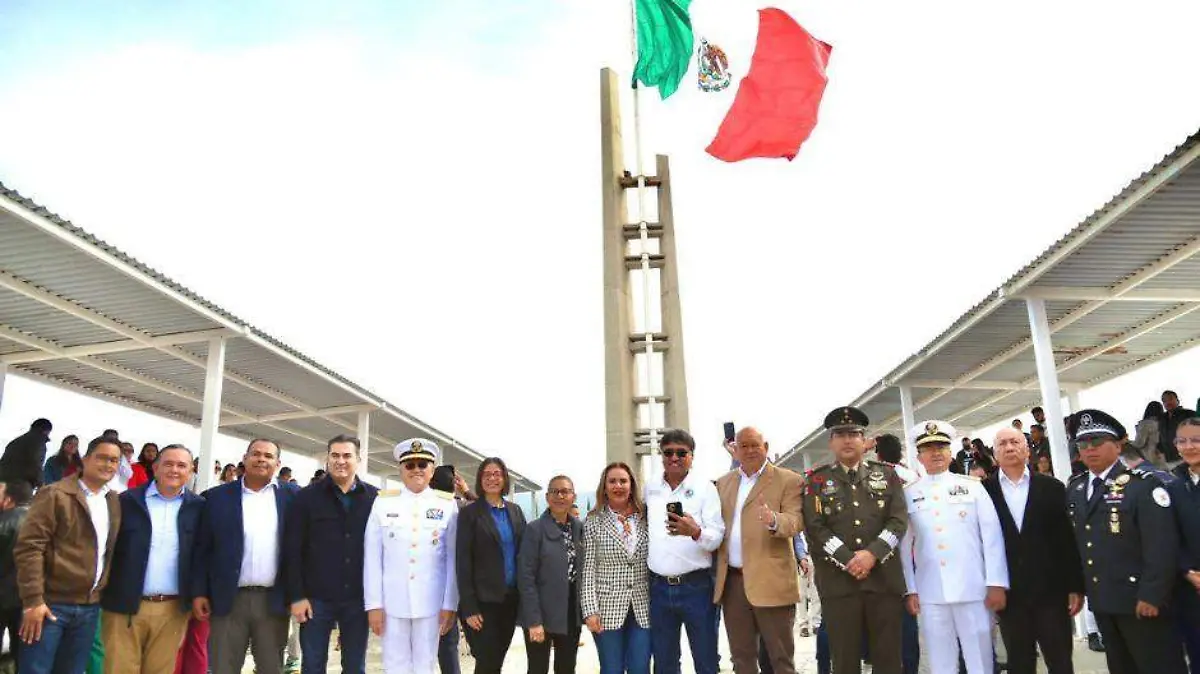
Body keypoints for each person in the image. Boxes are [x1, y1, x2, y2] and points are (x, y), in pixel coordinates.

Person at [1066, 409, 1186, 674]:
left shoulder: (1142, 485)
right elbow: (1078, 543)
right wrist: (1076, 587)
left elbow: (1162, 546)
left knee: (1160, 666)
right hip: (1104, 600)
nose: (1089, 449)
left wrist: (1152, 595)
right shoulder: (1075, 488)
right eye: (1083, 444)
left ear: (1118, 444)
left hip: (1141, 601)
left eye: (1097, 441)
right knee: (1121, 667)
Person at [803, 408, 908, 674]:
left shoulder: (888, 475)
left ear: (865, 441)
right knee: (845, 661)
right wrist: (848, 559)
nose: (847, 440)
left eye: (854, 434)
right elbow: (815, 529)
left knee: (888, 660)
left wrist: (872, 554)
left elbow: (898, 522)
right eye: (840, 435)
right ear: (831, 442)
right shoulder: (817, 480)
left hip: (883, 581)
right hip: (839, 586)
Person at [901, 420, 1008, 674]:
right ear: (919, 457)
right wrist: (910, 589)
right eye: (928, 449)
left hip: (973, 589)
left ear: (950, 453)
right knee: (941, 663)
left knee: (979, 661)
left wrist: (995, 582)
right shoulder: (909, 493)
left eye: (941, 446)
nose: (935, 453)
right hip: (931, 592)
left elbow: (992, 537)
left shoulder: (972, 487)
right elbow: (904, 548)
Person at [14, 436, 122, 674]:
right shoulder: (55, 494)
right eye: (102, 458)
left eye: (114, 460)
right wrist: (33, 601)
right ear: (85, 459)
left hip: (89, 608)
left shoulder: (112, 501)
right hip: (49, 606)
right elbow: (30, 547)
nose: (108, 465)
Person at [982, 427, 1083, 674]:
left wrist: (1075, 586)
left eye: (1015, 442)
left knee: (1059, 660)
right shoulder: (984, 492)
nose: (1009, 447)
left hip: (1051, 592)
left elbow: (1067, 541)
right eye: (1002, 443)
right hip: (1010, 595)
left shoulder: (1053, 487)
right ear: (994, 453)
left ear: (1027, 449)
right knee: (1019, 662)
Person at [191, 438, 296, 674]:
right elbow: (202, 549)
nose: (261, 459)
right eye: (256, 453)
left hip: (273, 601)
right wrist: (199, 592)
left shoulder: (293, 498)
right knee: (223, 666)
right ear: (245, 458)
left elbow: (301, 549)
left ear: (278, 463)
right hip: (228, 599)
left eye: (268, 456)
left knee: (271, 667)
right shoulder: (216, 498)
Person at [100, 444, 204, 673]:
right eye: (168, 464)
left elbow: (202, 556)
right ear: (155, 468)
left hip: (172, 609)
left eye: (181, 465)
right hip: (123, 607)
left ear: (190, 471)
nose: (174, 470)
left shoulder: (199, 508)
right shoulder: (125, 502)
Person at [283, 435, 378, 674]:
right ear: (327, 459)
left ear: (358, 459)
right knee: (313, 665)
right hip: (316, 599)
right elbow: (292, 549)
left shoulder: (375, 499)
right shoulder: (306, 497)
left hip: (358, 599)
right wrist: (297, 596)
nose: (340, 461)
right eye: (335, 455)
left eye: (347, 455)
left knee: (355, 666)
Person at [714, 427, 804, 674]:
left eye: (755, 445)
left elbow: (796, 522)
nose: (750, 450)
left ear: (765, 446)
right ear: (736, 449)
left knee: (780, 660)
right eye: (744, 446)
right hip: (733, 584)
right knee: (741, 660)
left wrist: (774, 520)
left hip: (771, 582)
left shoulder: (788, 480)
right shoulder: (724, 483)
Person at [364, 439, 459, 674]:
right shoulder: (383, 502)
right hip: (391, 603)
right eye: (409, 465)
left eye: (423, 464)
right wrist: (374, 605)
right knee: (394, 666)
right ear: (400, 469)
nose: (416, 469)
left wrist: (449, 604)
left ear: (433, 470)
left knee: (425, 665)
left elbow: (452, 560)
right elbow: (372, 558)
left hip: (432, 602)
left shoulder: (447, 506)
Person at [642, 429, 725, 674]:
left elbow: (717, 536)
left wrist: (696, 531)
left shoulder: (705, 488)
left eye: (681, 453)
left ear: (692, 456)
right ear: (661, 456)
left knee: (706, 659)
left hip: (696, 587)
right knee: (665, 663)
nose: (674, 458)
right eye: (668, 453)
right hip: (658, 588)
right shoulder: (651, 487)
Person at [457, 457, 527, 674]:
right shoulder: (470, 513)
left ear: (504, 478)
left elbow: (525, 553)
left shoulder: (515, 512)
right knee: (487, 662)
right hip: (482, 604)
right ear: (480, 479)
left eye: (497, 473)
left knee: (496, 661)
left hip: (510, 601)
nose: (492, 478)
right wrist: (469, 606)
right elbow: (463, 560)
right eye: (487, 474)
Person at [581, 462, 651, 674]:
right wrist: (590, 610)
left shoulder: (645, 517)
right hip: (606, 608)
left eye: (623, 481)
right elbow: (588, 569)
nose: (618, 486)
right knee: (612, 669)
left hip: (643, 607)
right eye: (612, 481)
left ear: (632, 486)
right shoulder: (593, 521)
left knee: (640, 668)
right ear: (604, 487)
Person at [519, 475, 585, 674]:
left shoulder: (579, 528)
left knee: (566, 668)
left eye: (565, 491)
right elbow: (525, 577)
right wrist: (533, 620)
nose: (560, 496)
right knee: (538, 668)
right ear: (547, 497)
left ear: (573, 496)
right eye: (555, 492)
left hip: (570, 611)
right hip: (541, 611)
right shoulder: (534, 530)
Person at [1166, 417, 1200, 673]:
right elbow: (1169, 538)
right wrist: (1188, 572)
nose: (1189, 446)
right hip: (1190, 591)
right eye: (1182, 441)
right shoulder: (1173, 488)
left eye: (1196, 440)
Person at [0, 481, 32, 669]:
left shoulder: (4, 522)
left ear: (9, 500)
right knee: (22, 653)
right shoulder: (38, 521)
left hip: (4, 596)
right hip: (27, 598)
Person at [0, 418, 52, 489]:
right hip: (20, 484)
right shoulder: (39, 441)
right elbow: (35, 463)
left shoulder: (16, 441)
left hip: (3, 481)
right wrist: (41, 484)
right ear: (47, 431)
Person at [1159, 390, 1194, 468]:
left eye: (1170, 399)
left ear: (1177, 400)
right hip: (1169, 460)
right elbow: (1160, 436)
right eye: (1164, 400)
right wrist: (1161, 452)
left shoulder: (1189, 414)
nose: (1168, 402)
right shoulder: (1162, 418)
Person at [1127, 401, 1166, 469]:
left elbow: (1139, 443)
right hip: (1162, 460)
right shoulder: (1164, 424)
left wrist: (1127, 442)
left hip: (1148, 460)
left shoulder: (1146, 424)